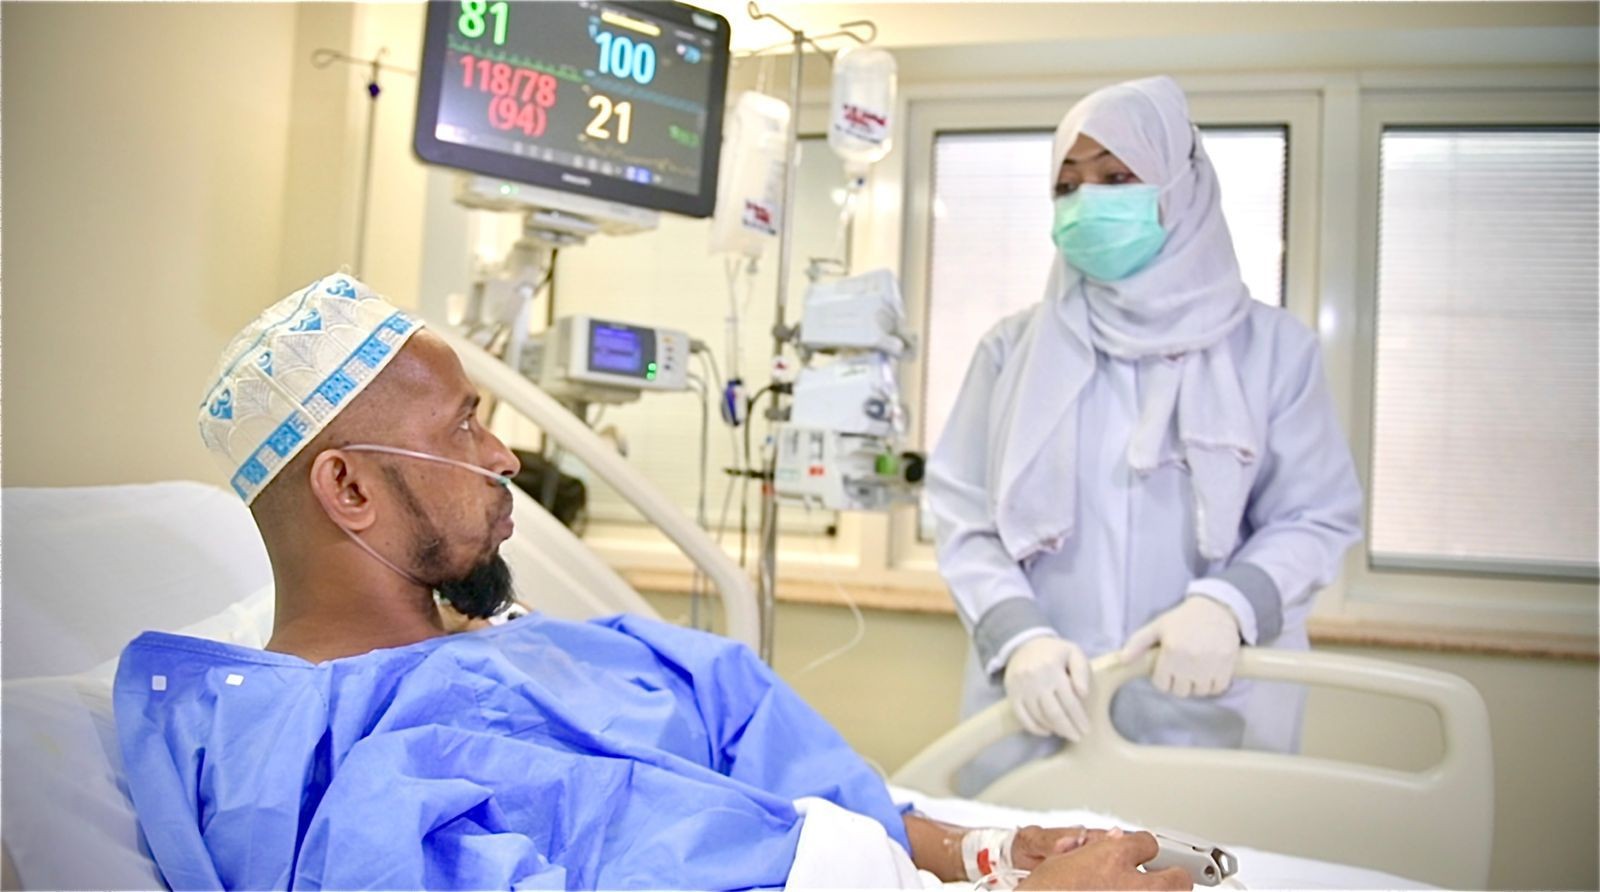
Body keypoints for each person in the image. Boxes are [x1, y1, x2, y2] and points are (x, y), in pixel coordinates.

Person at [114, 276, 1191, 890]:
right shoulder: (324, 769)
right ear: (348, 488)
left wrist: (985, 851)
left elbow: (767, 752)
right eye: (463, 428)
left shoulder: (564, 648)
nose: (504, 458)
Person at [926, 76, 1362, 794]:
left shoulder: (1274, 350)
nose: (1086, 202)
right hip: (1041, 713)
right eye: (1068, 185)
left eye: (1116, 177)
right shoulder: (1010, 351)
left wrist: (1230, 604)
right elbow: (963, 516)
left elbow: (1316, 515)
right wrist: (1018, 633)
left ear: (1180, 187)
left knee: (1203, 848)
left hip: (1211, 714)